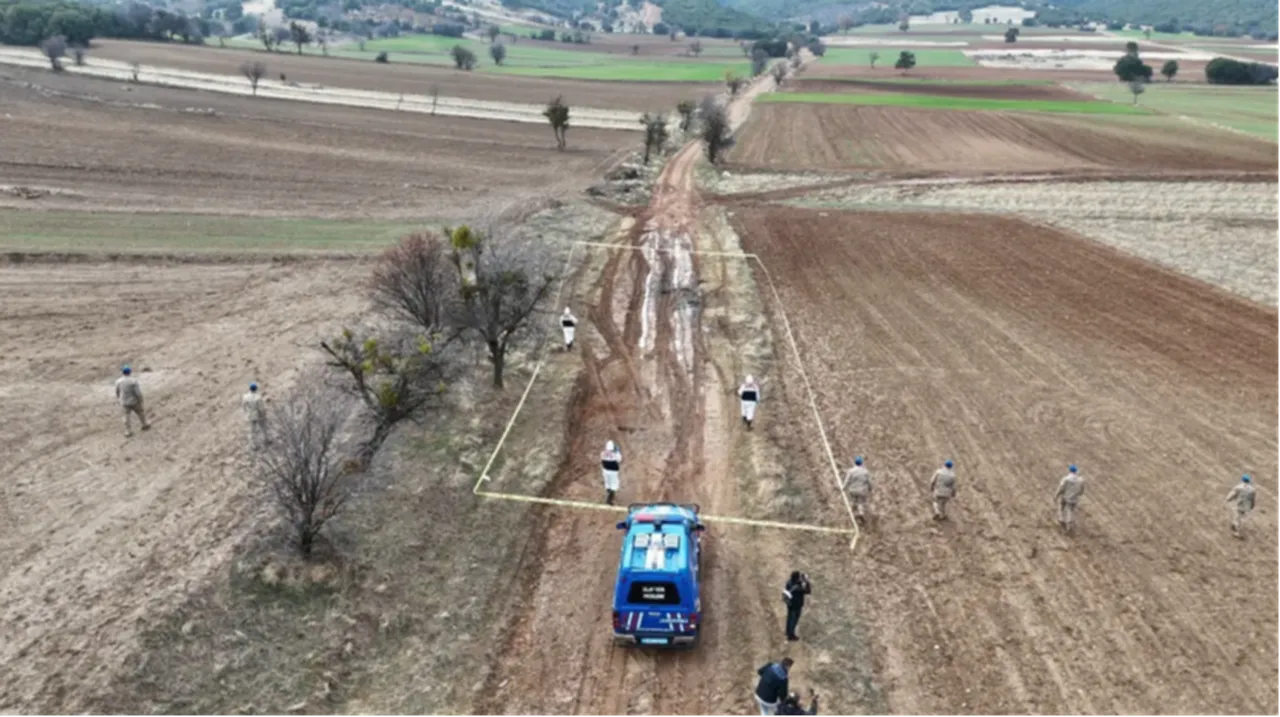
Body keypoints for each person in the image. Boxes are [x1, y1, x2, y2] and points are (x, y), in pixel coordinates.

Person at [114, 365, 150, 437]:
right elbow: (138, 393)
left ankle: (128, 431)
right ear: (130, 372)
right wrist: (140, 400)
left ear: (122, 372)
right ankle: (144, 424)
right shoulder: (133, 381)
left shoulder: (118, 381)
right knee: (140, 412)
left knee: (126, 417)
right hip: (134, 401)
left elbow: (117, 391)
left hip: (124, 401)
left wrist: (119, 398)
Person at [1054, 464, 1085, 533]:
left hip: (1065, 497)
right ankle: (1069, 524)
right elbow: (1081, 491)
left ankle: (1061, 519)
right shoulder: (1081, 480)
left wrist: (1056, 495)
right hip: (1074, 499)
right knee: (1071, 511)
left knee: (1061, 507)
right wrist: (1078, 494)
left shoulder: (1066, 479)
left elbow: (1061, 488)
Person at [782, 571, 811, 641]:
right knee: (794, 621)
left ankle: (788, 631)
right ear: (796, 579)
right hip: (796, 606)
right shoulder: (797, 588)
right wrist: (807, 582)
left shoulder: (789, 582)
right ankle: (791, 635)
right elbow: (808, 591)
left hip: (790, 604)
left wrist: (801, 581)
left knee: (789, 619)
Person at [1225, 474, 1256, 538]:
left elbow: (1233, 494)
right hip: (1247, 506)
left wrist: (1228, 499)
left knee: (1238, 517)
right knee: (1240, 516)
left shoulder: (1239, 487)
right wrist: (1252, 505)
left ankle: (1237, 531)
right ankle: (1234, 524)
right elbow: (1252, 499)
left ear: (1242, 480)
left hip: (1239, 504)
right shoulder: (1252, 489)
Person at [842, 456, 872, 522]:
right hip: (861, 490)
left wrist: (843, 488)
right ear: (862, 463)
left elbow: (847, 480)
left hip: (852, 490)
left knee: (852, 501)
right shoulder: (865, 472)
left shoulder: (851, 471)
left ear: (854, 463)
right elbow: (869, 482)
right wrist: (870, 488)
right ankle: (861, 513)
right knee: (860, 502)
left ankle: (850, 514)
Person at [242, 382, 267, 448]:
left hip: (250, 414)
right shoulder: (258, 397)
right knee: (263, 428)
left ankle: (254, 445)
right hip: (258, 414)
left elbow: (244, 406)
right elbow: (261, 408)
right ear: (256, 389)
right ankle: (266, 440)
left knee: (252, 431)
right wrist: (263, 415)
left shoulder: (245, 397)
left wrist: (246, 412)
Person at [601, 440, 622, 505]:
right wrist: (618, 452)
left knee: (608, 484)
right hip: (613, 472)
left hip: (605, 471)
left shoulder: (602, 453)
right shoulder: (615, 454)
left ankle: (609, 494)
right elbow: (619, 459)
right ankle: (609, 499)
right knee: (614, 485)